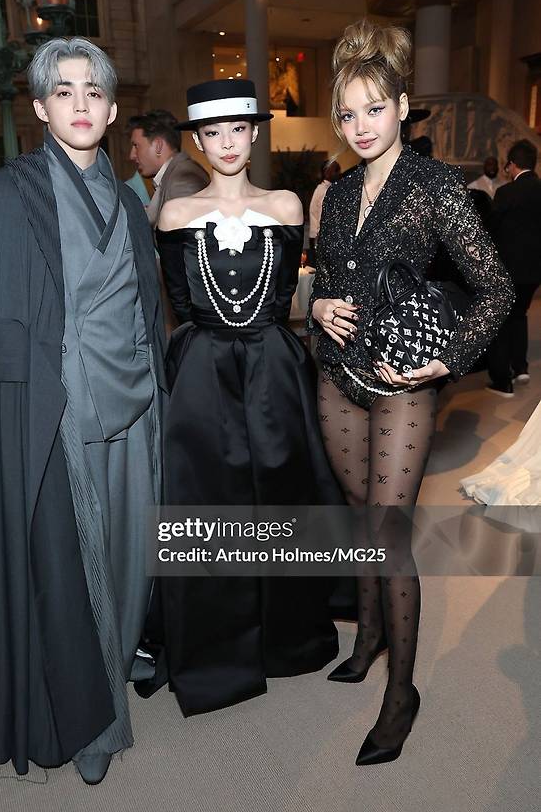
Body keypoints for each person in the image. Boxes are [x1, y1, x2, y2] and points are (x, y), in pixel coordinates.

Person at [0, 37, 167, 784]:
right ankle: (92, 721)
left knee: (130, 556)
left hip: (135, 406)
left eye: (94, 92)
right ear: (40, 108)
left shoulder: (130, 204)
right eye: (64, 90)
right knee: (73, 568)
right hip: (54, 412)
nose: (80, 103)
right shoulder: (5, 196)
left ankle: (116, 663)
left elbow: (145, 309)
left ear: (112, 110)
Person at [307, 19, 513, 765]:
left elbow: (497, 288)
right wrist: (317, 307)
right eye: (347, 113)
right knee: (362, 516)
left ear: (400, 107)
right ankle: (366, 636)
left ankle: (403, 692)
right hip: (338, 375)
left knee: (389, 532)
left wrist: (446, 360)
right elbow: (326, 280)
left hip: (402, 381)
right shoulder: (334, 194)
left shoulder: (434, 186)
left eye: (374, 108)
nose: (361, 125)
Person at [136, 79, 343, 717]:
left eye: (237, 129)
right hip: (202, 371)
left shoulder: (287, 205)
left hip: (275, 368)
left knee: (282, 496)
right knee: (209, 503)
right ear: (197, 141)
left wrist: (321, 305)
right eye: (213, 132)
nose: (226, 142)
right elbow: (173, 302)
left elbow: (295, 291)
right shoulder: (175, 214)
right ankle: (217, 644)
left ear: (254, 134)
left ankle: (286, 637)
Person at [487, 139, 541, 395]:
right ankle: (520, 368)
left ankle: (502, 381)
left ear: (512, 165)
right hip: (534, 271)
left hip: (509, 269)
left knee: (501, 321)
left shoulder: (506, 193)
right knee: (519, 315)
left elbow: (491, 229)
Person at [128, 109, 209, 227]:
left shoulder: (182, 182)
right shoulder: (175, 176)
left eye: (136, 146)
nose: (132, 155)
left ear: (158, 146)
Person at [309, 160, 341, 250]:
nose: (339, 174)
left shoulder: (325, 188)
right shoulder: (325, 190)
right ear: (327, 172)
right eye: (336, 170)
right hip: (320, 237)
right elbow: (324, 215)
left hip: (320, 236)